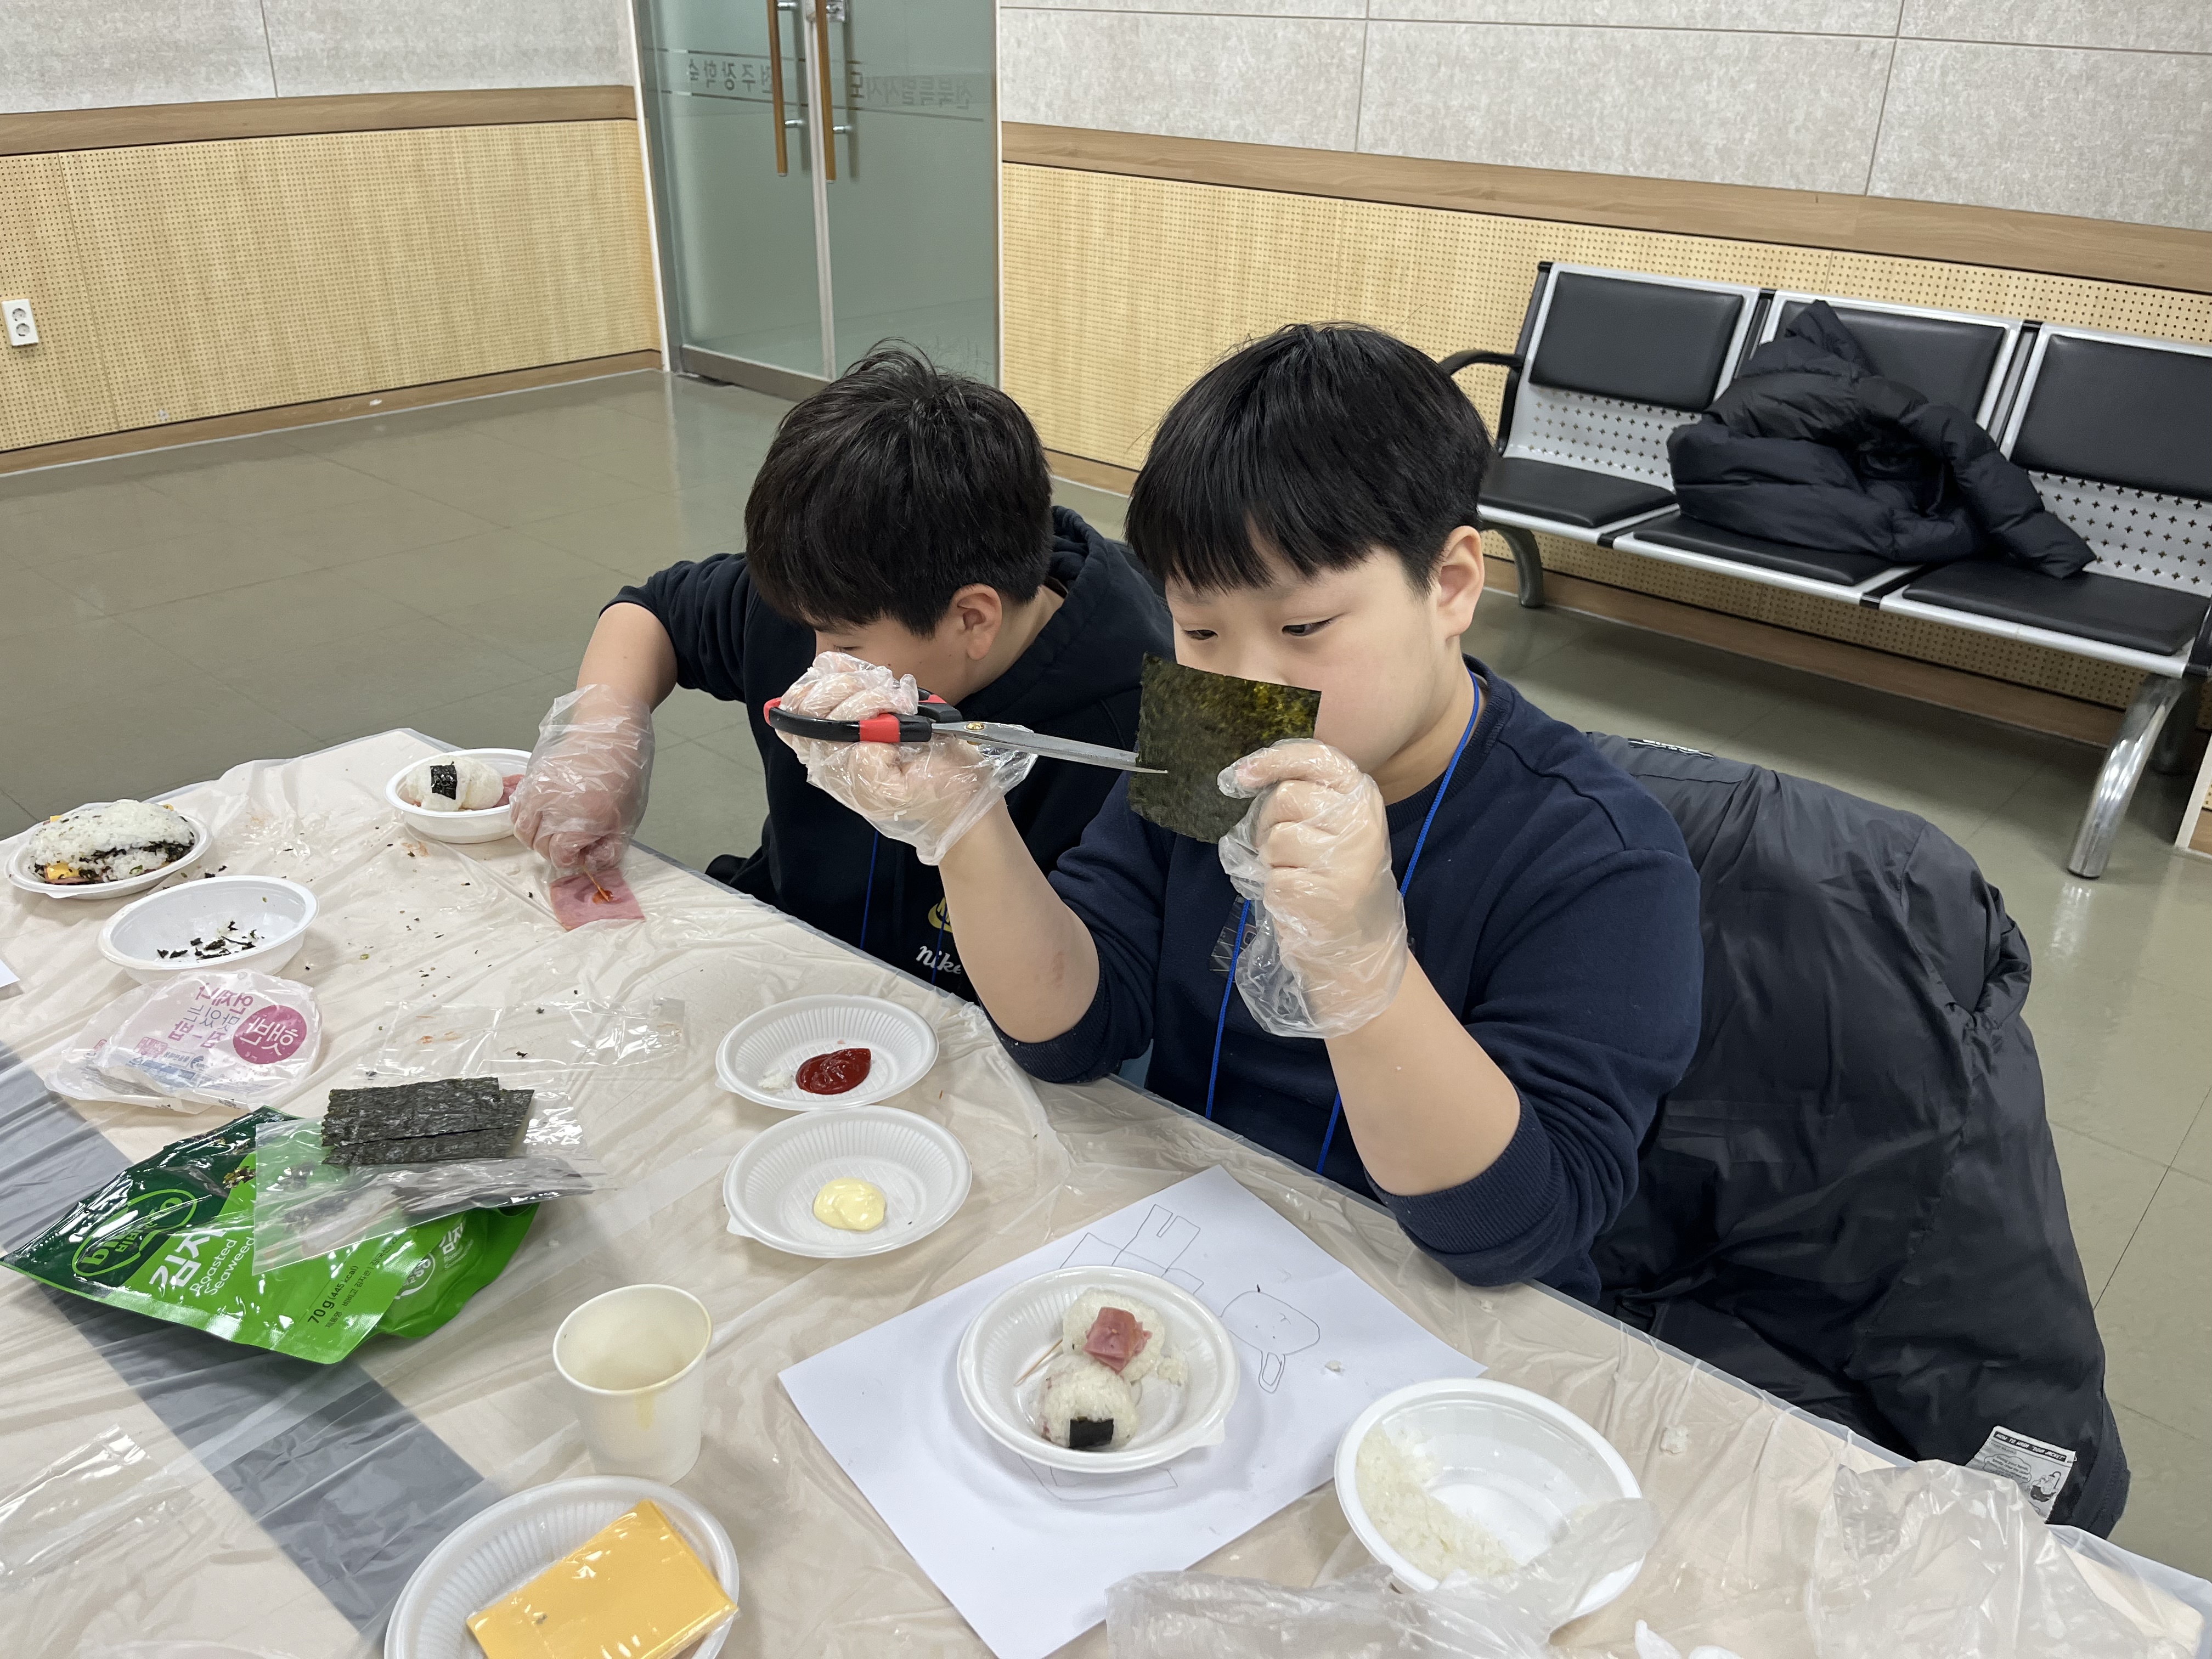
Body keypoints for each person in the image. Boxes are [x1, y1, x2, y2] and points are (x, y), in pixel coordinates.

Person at [775, 325, 1703, 1297]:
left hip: (1435, 1315)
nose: (1246, 682)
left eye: (1303, 626)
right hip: (1195, 1253)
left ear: (1451, 585)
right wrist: (963, 823)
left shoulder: (1602, 859)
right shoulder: (1216, 738)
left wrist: (1362, 968)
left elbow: (1513, 1231)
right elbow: (1069, 1027)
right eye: (1201, 629)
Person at [510, 345, 1169, 999]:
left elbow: (1102, 997)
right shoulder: (833, 595)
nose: (816, 660)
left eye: (846, 644)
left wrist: (962, 821)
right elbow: (652, 612)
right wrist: (600, 740)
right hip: (789, 948)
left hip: (979, 1014)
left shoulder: (1135, 721)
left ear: (972, 619)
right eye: (807, 628)